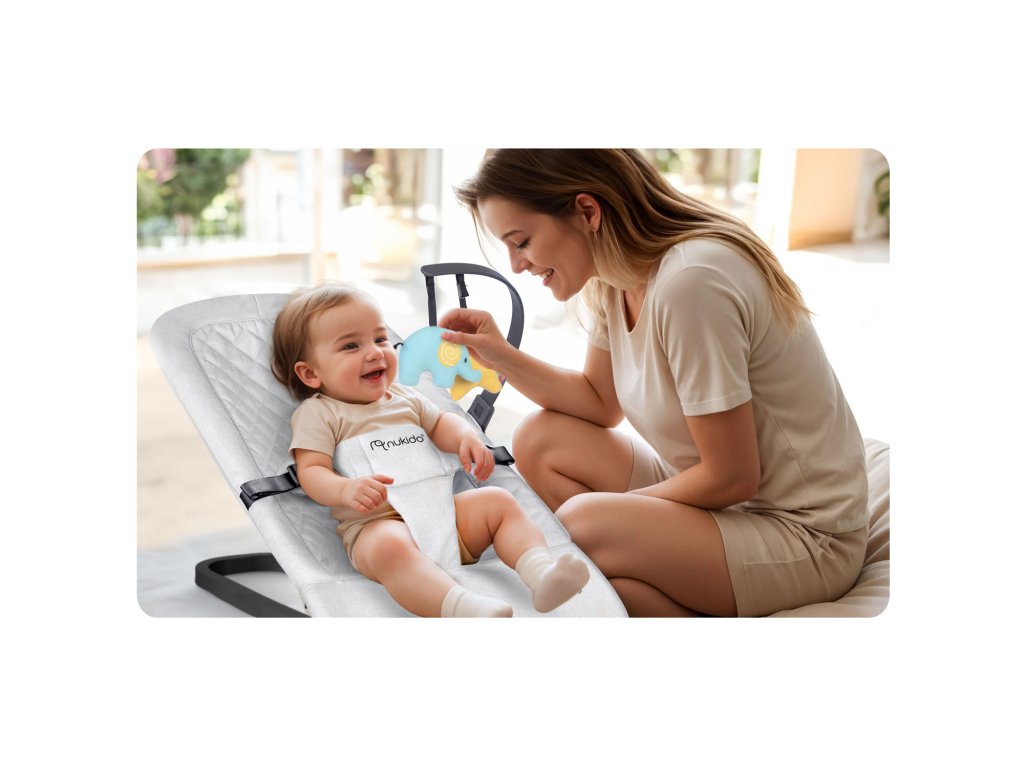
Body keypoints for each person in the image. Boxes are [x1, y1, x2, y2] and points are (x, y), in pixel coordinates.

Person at [439, 149, 869, 617]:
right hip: (717, 498)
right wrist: (500, 355)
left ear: (587, 211)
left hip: (802, 535)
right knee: (540, 440)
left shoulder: (691, 283)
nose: (516, 265)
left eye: (521, 242)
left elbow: (732, 476)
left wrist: (612, 515)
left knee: (584, 524)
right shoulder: (615, 278)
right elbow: (600, 402)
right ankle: (631, 579)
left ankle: (631, 579)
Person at [270, 282, 590, 617]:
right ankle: (462, 608)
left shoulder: (405, 398)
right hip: (378, 523)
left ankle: (541, 574)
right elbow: (312, 471)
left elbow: (441, 424)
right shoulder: (320, 413)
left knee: (499, 502)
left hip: (445, 516)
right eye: (351, 346)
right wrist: (345, 489)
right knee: (387, 547)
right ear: (310, 373)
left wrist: (465, 437)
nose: (375, 352)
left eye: (380, 339)